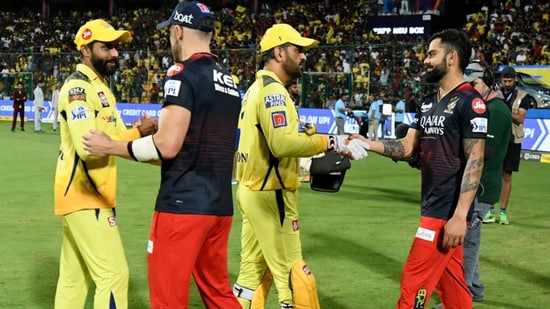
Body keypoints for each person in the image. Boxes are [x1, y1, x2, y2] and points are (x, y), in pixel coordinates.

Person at [81, 2, 250, 308]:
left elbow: (167, 145)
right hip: (219, 207)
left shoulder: (181, 73)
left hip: (182, 207)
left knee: (167, 300)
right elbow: (191, 148)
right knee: (219, 295)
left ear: (178, 31)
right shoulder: (228, 80)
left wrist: (112, 147)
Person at [232, 23, 368, 309]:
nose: (304, 56)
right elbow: (282, 143)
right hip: (272, 193)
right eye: (298, 50)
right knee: (294, 278)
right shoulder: (273, 93)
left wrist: (306, 156)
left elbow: (272, 144)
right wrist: (333, 142)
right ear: (279, 53)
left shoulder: (255, 89)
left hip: (252, 190)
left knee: (249, 277)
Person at [352, 28, 488, 309]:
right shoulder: (427, 102)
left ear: (451, 58)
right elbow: (407, 146)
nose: (425, 60)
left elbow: (475, 160)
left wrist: (460, 216)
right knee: (454, 290)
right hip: (432, 207)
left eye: (431, 54)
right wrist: (368, 143)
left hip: (445, 214)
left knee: (412, 285)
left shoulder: (470, 102)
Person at [53, 19, 157, 309]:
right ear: (85, 50)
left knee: (73, 281)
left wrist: (153, 146)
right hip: (85, 195)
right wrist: (139, 132)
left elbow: (119, 144)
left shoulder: (102, 90)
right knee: (114, 276)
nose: (114, 54)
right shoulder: (78, 89)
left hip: (88, 195)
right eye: (106, 47)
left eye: (116, 47)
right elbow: (90, 148)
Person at [433, 60, 512, 309]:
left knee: (466, 242)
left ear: (487, 82)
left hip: (482, 186)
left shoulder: (495, 110)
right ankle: (474, 288)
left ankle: (460, 296)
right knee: (470, 240)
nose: (471, 88)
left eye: (475, 83)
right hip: (479, 185)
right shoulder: (488, 106)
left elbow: (484, 151)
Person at [484, 66, 534, 225]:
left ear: (515, 80)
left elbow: (520, 118)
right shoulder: (496, 94)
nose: (507, 83)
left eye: (510, 81)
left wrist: (503, 110)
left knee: (506, 175)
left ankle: (503, 212)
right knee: (492, 173)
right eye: (505, 81)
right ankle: (490, 211)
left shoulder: (523, 96)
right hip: (496, 139)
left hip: (513, 140)